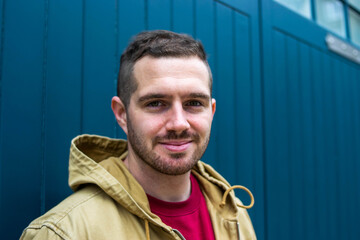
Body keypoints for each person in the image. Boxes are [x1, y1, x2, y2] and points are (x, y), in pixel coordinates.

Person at [20, 30, 256, 240]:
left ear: (211, 111)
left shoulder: (234, 213)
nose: (178, 123)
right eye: (156, 103)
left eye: (194, 103)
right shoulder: (63, 233)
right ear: (122, 114)